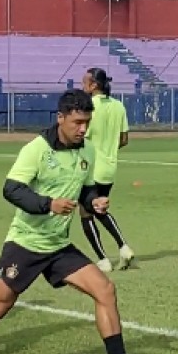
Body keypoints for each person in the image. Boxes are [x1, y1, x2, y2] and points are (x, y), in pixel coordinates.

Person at [0, 90, 161, 354]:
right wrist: (48, 204)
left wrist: (94, 201)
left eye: (87, 123)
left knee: (104, 289)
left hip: (58, 247)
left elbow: (86, 189)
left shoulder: (87, 150)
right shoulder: (37, 149)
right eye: (78, 122)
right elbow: (12, 189)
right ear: (61, 118)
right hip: (26, 244)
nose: (83, 129)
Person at [79, 67, 136, 272]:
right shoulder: (118, 106)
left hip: (91, 169)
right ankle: (123, 247)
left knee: (87, 213)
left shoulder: (88, 107)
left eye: (84, 81)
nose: (82, 84)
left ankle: (103, 259)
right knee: (100, 208)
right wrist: (108, 148)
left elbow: (81, 137)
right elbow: (124, 139)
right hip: (109, 168)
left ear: (94, 85)